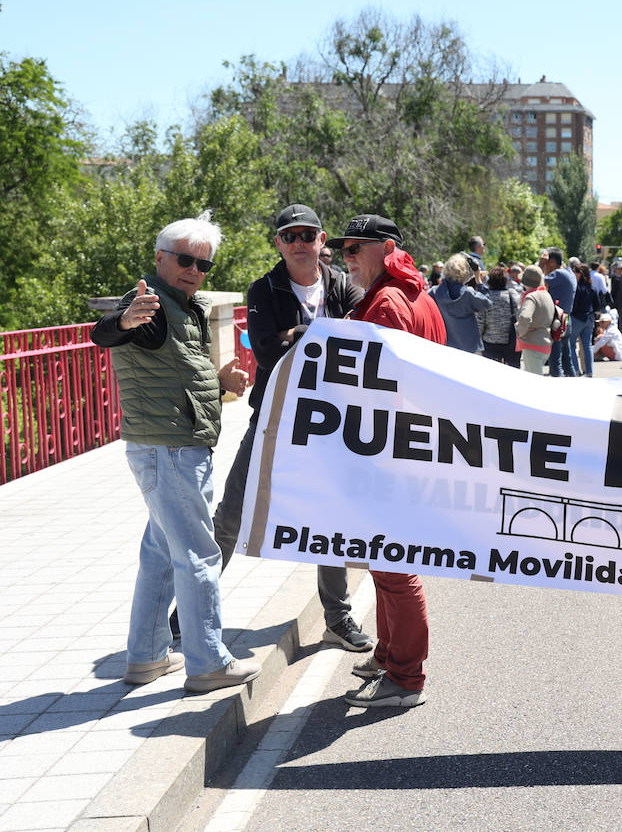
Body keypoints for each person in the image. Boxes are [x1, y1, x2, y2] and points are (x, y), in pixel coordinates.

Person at [91, 211, 262, 693]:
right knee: (199, 555)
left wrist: (219, 380)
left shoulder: (186, 306)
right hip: (168, 449)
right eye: (185, 259)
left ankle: (145, 658)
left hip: (174, 445)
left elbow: (182, 372)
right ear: (161, 258)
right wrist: (122, 319)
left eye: (203, 264)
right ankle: (207, 662)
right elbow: (108, 331)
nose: (193, 269)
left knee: (162, 554)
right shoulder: (148, 305)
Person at [207, 203, 372, 656]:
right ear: (278, 244)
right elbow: (266, 353)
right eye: (289, 235)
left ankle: (337, 618)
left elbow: (365, 342)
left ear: (322, 241)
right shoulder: (264, 288)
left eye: (308, 234)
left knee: (331, 519)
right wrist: (325, 336)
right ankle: (194, 609)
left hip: (334, 421)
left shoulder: (343, 285)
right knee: (233, 513)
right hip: (276, 415)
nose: (299, 243)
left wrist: (300, 334)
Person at [329, 213, 446, 708]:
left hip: (390, 454)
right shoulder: (415, 294)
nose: (346, 257)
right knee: (385, 566)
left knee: (395, 570)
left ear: (386, 247)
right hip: (407, 449)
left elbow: (378, 388)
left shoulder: (387, 302)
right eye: (344, 248)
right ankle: (389, 654)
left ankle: (405, 678)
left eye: (356, 247)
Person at [429, 253, 491, 354]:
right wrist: (478, 279)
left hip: (445, 346)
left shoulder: (434, 293)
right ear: (464, 272)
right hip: (469, 347)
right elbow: (486, 303)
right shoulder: (469, 293)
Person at [478, 265, 521, 367]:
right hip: (512, 341)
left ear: (490, 281)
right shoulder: (513, 295)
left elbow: (479, 323)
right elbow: (520, 315)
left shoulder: (485, 298)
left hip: (490, 343)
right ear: (505, 281)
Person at [542, 248, 577, 376]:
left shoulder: (558, 274)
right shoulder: (570, 273)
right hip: (567, 320)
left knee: (555, 362)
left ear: (551, 262)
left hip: (556, 321)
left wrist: (542, 266)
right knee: (567, 360)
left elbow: (538, 282)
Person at [516, 265, 556, 374]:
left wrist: (520, 332)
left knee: (533, 384)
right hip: (546, 343)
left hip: (532, 344)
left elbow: (525, 317)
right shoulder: (546, 295)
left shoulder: (531, 297)